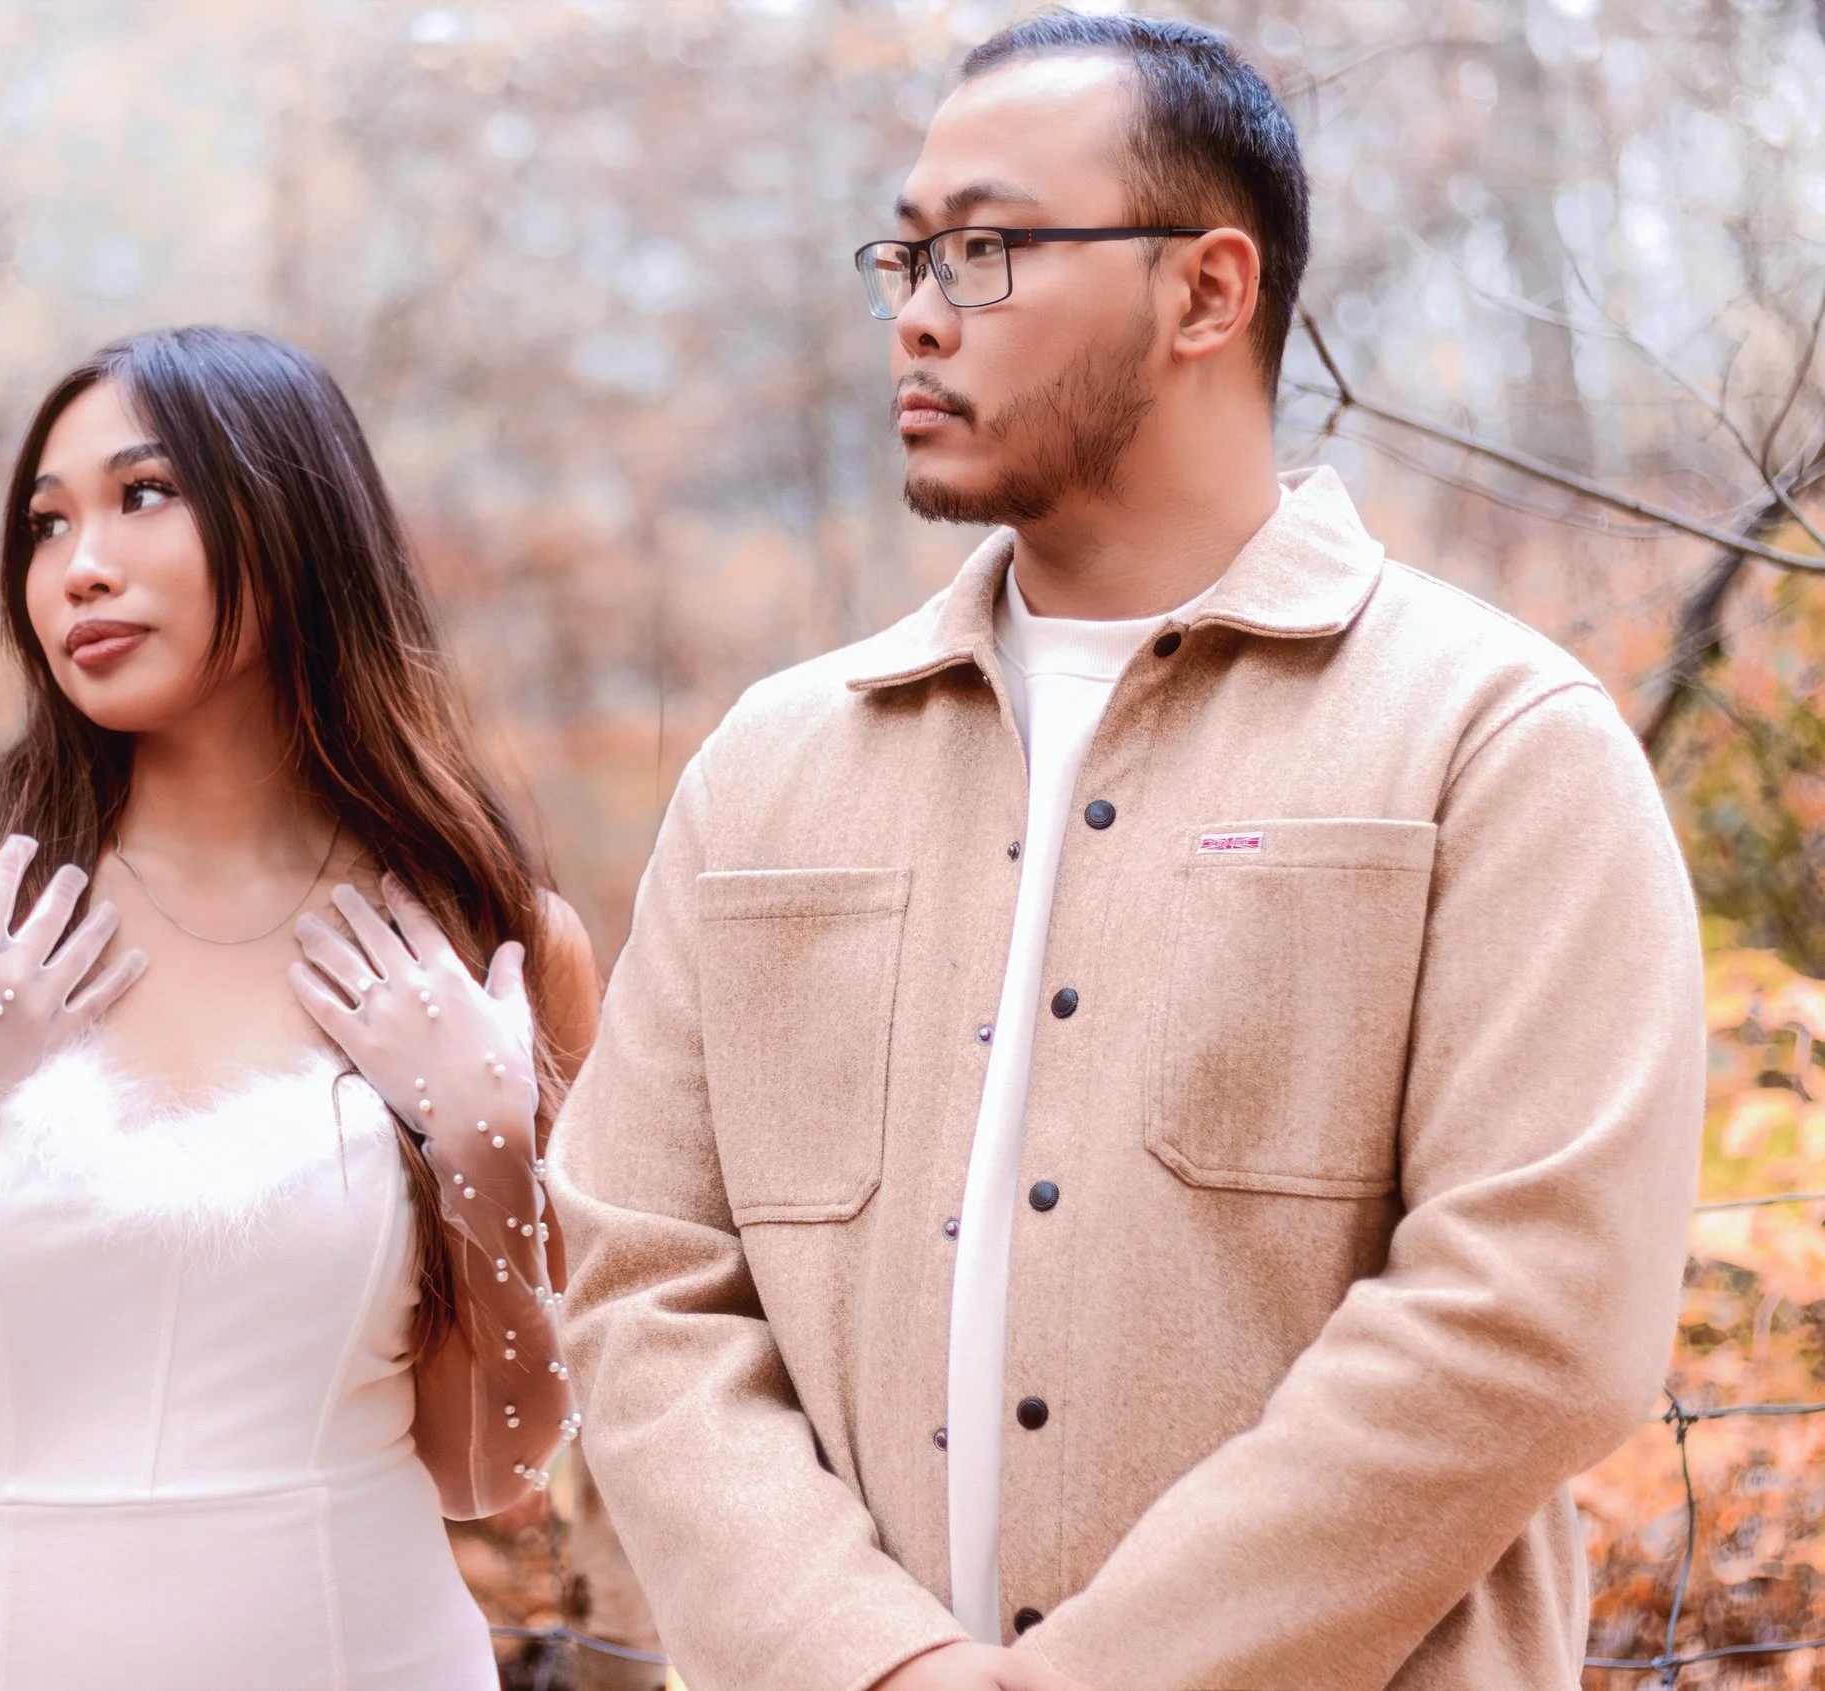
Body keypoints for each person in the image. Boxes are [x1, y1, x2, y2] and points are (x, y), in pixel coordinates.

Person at [548, 13, 1704, 1691]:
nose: (919, 309)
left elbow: (1535, 1313)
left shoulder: (1494, 743)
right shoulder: (769, 768)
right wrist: (864, 1664)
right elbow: (642, 1275)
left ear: (1207, 294)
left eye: (991, 248)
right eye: (909, 250)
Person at [0, 326, 600, 1690]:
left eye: (144, 496)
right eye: (46, 525)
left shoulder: (486, 936)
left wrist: (491, 1161)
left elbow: (493, 1463)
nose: (81, 566)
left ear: (296, 523)